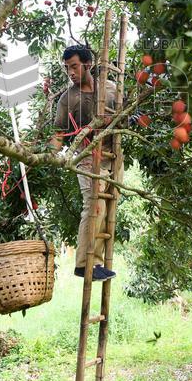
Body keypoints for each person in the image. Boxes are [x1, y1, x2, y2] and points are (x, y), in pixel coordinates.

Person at [51, 44, 119, 282]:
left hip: (112, 155)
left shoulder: (111, 89)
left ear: (88, 65)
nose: (70, 72)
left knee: (108, 209)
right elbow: (59, 134)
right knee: (93, 205)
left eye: (74, 67)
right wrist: (50, 155)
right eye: (67, 68)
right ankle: (84, 264)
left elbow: (128, 117)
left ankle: (97, 261)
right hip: (87, 157)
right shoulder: (67, 99)